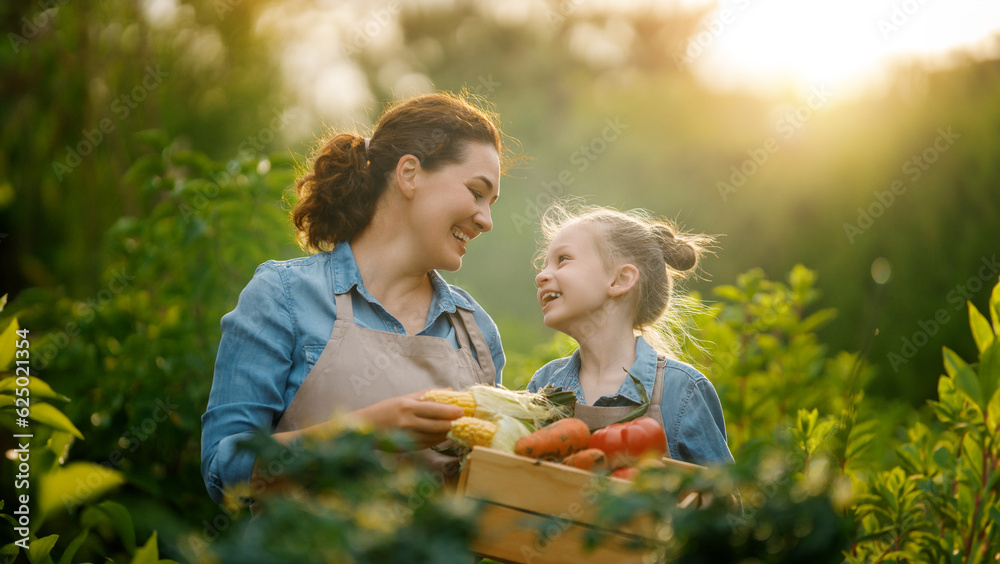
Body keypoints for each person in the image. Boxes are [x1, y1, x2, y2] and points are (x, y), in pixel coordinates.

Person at [201, 93, 509, 505]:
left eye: (491, 203)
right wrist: (366, 431)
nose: (486, 220)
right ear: (409, 173)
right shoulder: (284, 296)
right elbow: (225, 470)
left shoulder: (475, 330)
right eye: (476, 192)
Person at [527, 203, 733, 466]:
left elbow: (725, 498)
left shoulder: (682, 390)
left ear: (621, 280)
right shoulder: (543, 384)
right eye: (544, 264)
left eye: (563, 259)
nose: (541, 276)